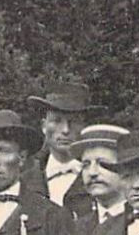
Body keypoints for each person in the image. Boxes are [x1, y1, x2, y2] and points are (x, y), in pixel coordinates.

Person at [23, 80, 96, 208]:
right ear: (43, 126)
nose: (65, 130)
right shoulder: (24, 179)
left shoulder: (99, 176)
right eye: (57, 121)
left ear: (84, 127)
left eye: (73, 122)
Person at [69, 123, 131, 235]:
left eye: (102, 163)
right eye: (86, 165)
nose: (92, 172)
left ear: (125, 167)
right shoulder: (76, 229)